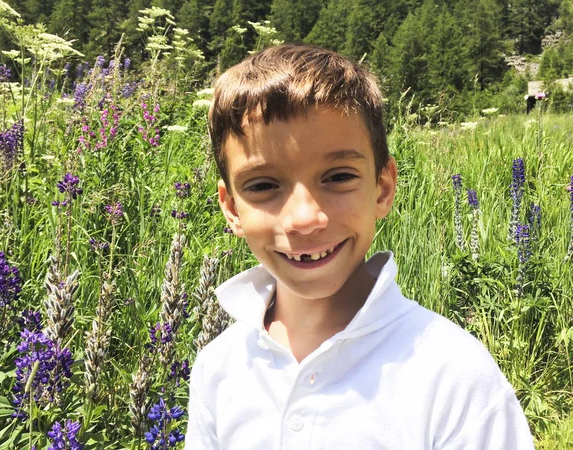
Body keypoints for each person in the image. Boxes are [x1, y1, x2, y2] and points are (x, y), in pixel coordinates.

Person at [185, 43, 535, 449]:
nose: (303, 218)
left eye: (337, 177)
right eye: (263, 185)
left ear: (382, 188)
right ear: (231, 208)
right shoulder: (219, 366)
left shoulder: (453, 375)